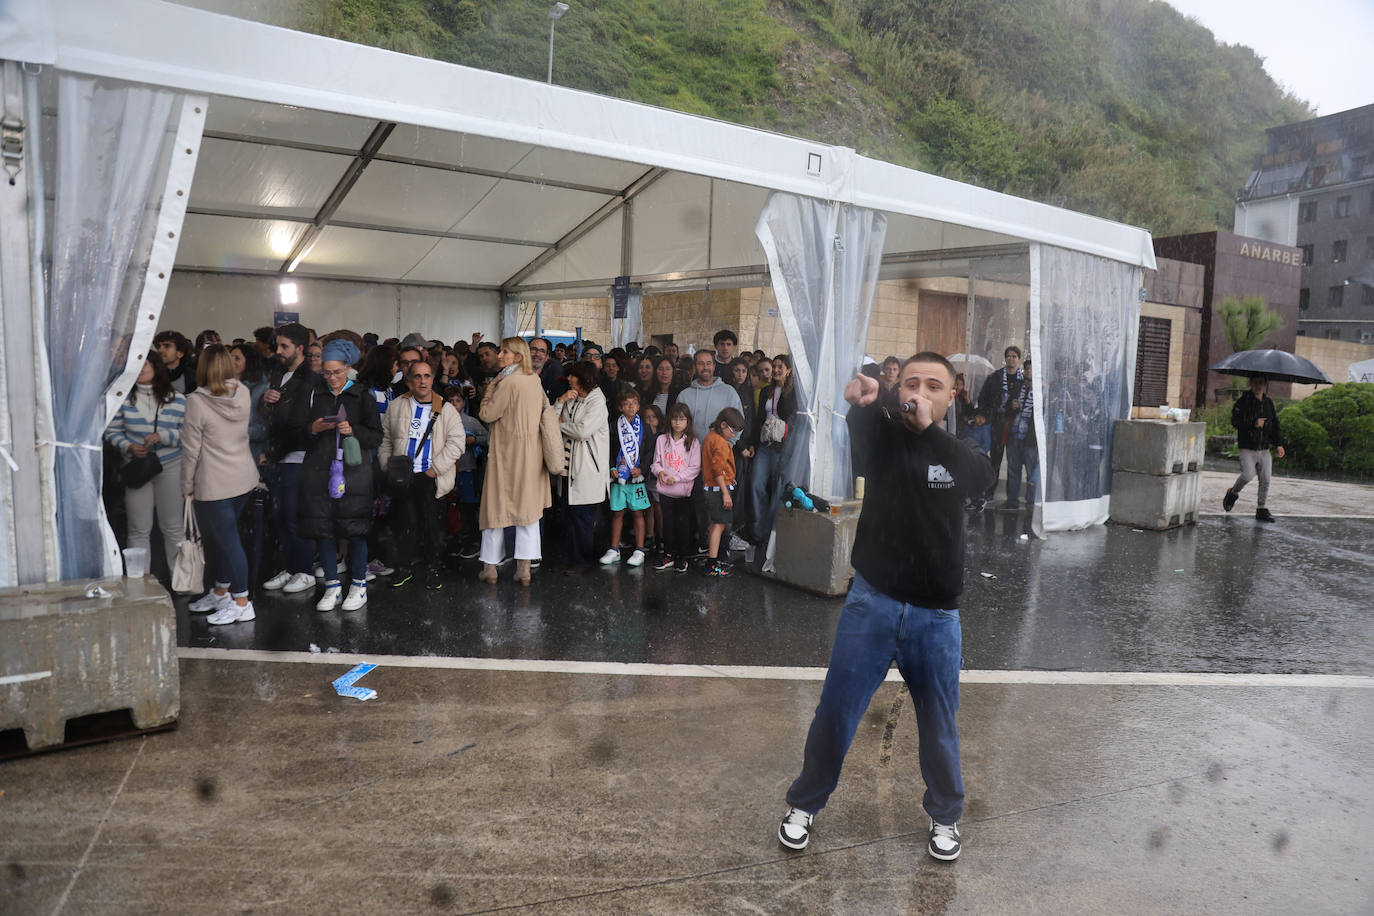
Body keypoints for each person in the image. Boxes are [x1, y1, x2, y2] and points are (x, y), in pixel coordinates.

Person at [777, 353, 994, 861]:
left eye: (933, 386)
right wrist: (863, 407)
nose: (919, 392)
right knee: (836, 712)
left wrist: (930, 433)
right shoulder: (885, 438)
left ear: (951, 394)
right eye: (911, 383)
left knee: (940, 723)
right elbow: (866, 441)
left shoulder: (959, 448)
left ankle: (945, 817)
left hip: (936, 617)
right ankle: (805, 804)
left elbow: (980, 479)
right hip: (872, 604)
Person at [297, 339, 383, 612]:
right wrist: (314, 427)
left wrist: (353, 430)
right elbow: (298, 433)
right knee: (323, 530)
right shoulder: (314, 394)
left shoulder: (363, 396)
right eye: (327, 373)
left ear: (348, 369)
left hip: (355, 473)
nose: (332, 378)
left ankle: (359, 585)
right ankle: (332, 587)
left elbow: (377, 436)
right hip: (319, 472)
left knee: (354, 529)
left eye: (337, 372)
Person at [181, 345, 260, 625]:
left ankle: (241, 602)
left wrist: (186, 485)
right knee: (229, 540)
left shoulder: (196, 401)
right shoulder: (243, 392)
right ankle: (221, 591)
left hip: (214, 482)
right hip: (243, 476)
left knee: (227, 542)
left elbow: (191, 449)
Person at [380, 358, 465, 590]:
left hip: (430, 477)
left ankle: (433, 568)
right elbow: (386, 439)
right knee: (404, 524)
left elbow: (457, 443)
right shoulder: (396, 405)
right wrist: (386, 465)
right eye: (417, 376)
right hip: (402, 476)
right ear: (409, 381)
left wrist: (434, 470)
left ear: (432, 379)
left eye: (427, 376)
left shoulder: (445, 409)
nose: (422, 381)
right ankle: (404, 568)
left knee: (432, 527)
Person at [477, 337, 550, 586]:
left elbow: (487, 414)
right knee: (528, 514)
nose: (499, 356)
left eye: (505, 352)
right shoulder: (534, 380)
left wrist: (489, 390)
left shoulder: (507, 382)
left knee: (494, 511)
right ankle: (524, 570)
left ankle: (490, 568)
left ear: (518, 357)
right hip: (531, 454)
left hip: (506, 455)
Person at [105, 357, 187, 575]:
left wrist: (163, 436)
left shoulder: (177, 399)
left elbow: (188, 433)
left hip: (170, 464)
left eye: (146, 364)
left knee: (173, 526)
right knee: (138, 527)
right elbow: (111, 432)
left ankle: (180, 578)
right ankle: (138, 580)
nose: (141, 369)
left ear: (156, 368)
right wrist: (128, 446)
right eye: (137, 365)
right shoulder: (122, 399)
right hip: (137, 467)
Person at [260, 324, 318, 595]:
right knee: (281, 516)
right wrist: (266, 402)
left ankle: (305, 570)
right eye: (278, 346)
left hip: (298, 457)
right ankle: (292, 567)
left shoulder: (311, 380)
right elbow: (274, 417)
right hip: (279, 455)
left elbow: (301, 423)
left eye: (284, 346)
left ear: (300, 348)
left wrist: (277, 448)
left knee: (295, 517)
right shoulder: (280, 375)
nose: (279, 351)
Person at [676, 350, 744, 551]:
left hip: (719, 459)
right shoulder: (685, 394)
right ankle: (704, 542)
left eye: (708, 364)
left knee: (721, 502)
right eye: (700, 364)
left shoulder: (729, 392)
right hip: (693, 459)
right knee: (699, 500)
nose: (705, 368)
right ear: (694, 366)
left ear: (714, 366)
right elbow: (679, 425)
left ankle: (723, 543)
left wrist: (726, 447)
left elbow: (739, 423)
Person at [555, 362, 610, 574]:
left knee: (582, 520)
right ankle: (570, 558)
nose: (569, 379)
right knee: (568, 518)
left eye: (573, 376)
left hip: (587, 470)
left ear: (584, 377)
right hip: (568, 470)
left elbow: (583, 430)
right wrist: (560, 402)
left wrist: (559, 426)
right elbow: (552, 417)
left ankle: (583, 562)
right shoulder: (572, 397)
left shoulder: (598, 402)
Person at [600, 388, 652, 568]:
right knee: (617, 513)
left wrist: (642, 469)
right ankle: (614, 549)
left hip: (637, 478)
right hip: (619, 477)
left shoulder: (644, 428)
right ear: (620, 407)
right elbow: (607, 449)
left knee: (638, 513)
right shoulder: (613, 426)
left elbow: (648, 452)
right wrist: (611, 467)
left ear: (638, 406)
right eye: (626, 404)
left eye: (634, 403)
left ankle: (639, 549)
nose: (631, 406)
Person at [1223, 374, 1285, 522]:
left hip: (1264, 448)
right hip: (1247, 447)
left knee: (1266, 478)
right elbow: (1235, 421)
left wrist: (1279, 444)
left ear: (1265, 385)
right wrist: (1253, 423)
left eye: (1261, 383)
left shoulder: (1268, 403)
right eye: (1255, 383)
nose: (1258, 386)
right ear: (1250, 383)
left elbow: (1275, 425)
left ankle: (1261, 508)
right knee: (1247, 475)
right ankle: (1233, 493)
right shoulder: (1243, 402)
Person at [750, 354, 796, 544]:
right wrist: (753, 442)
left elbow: (792, 418)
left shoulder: (793, 392)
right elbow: (758, 419)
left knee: (778, 489)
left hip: (783, 445)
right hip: (765, 444)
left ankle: (772, 531)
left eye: (780, 367)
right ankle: (759, 530)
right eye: (774, 366)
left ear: (788, 370)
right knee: (756, 484)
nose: (776, 370)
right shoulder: (765, 391)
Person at [651, 402, 700, 573]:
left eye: (682, 419)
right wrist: (660, 473)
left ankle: (683, 557)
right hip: (665, 491)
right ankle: (669, 555)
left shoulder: (693, 442)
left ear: (688, 421)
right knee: (668, 524)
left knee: (683, 525)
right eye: (674, 418)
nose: (678, 422)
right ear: (669, 420)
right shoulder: (661, 440)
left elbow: (694, 468)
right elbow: (655, 463)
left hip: (683, 492)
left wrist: (677, 478)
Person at [976, 345, 1024, 495]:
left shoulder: (1024, 381)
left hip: (1014, 426)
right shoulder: (995, 377)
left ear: (1019, 359)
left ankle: (1011, 499)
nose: (1011, 359)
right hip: (996, 424)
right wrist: (985, 414)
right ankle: (989, 492)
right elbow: (982, 398)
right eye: (1008, 356)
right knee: (994, 461)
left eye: (1014, 356)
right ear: (1005, 359)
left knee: (1013, 463)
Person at [701, 407, 744, 577]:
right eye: (733, 431)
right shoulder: (721, 443)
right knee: (719, 525)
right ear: (724, 424)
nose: (733, 435)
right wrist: (725, 492)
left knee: (715, 523)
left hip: (712, 486)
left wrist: (729, 476)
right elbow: (717, 469)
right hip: (718, 489)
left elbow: (717, 468)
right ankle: (712, 564)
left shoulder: (710, 437)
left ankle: (712, 560)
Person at [1003, 359, 1038, 510]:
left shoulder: (1041, 390)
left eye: (1032, 369)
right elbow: (1006, 407)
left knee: (1031, 473)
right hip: (1015, 434)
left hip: (1030, 438)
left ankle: (1031, 503)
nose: (1029, 371)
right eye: (1027, 369)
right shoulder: (1018, 387)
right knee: (1013, 470)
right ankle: (1012, 502)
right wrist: (1012, 406)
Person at [639, 403, 665, 555]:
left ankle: (661, 537)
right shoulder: (642, 434)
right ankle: (649, 536)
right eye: (647, 417)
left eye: (654, 417)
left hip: (657, 476)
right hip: (645, 476)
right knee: (647, 506)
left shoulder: (662, 435)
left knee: (658, 507)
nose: (650, 420)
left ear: (659, 419)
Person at [530, 336, 567, 403]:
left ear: (547, 356)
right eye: (533, 349)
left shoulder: (554, 373)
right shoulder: (515, 376)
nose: (537, 354)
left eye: (542, 351)